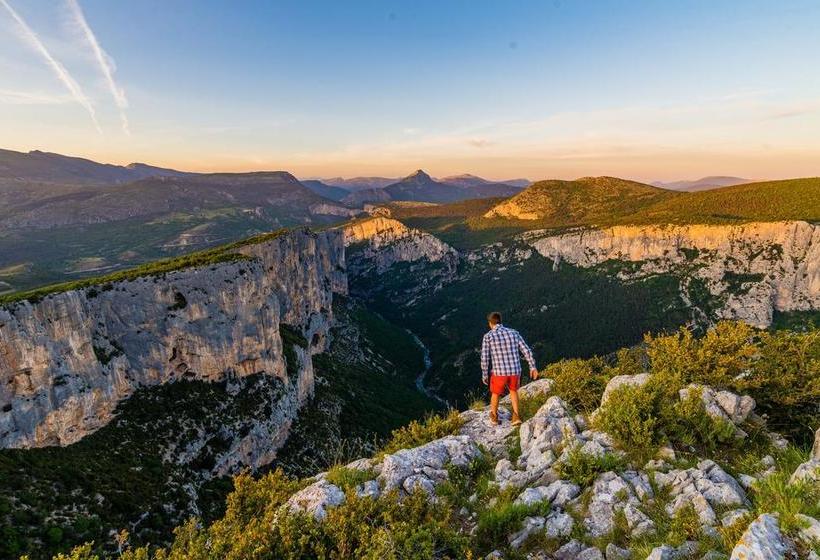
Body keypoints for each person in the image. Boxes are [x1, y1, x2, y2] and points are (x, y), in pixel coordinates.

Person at [480, 311, 538, 426]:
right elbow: (526, 350)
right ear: (500, 321)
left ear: (490, 323)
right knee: (513, 391)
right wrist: (533, 367)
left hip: (499, 372)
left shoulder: (488, 336)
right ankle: (516, 416)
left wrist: (485, 374)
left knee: (495, 393)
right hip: (515, 370)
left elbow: (485, 357)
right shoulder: (514, 333)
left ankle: (494, 417)